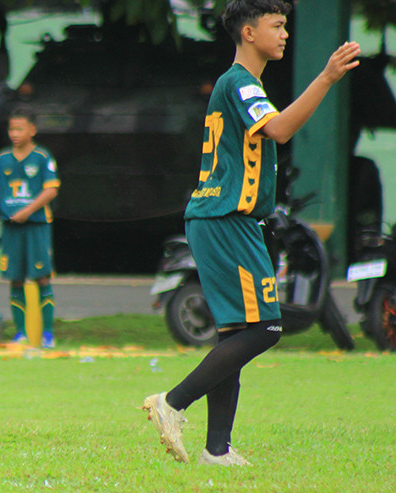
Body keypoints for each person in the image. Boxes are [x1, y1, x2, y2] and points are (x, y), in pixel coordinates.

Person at [142, 0, 360, 466]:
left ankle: (216, 450)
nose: (284, 34)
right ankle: (172, 403)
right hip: (226, 220)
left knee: (236, 332)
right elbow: (279, 130)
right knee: (267, 328)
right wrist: (326, 77)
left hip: (224, 219)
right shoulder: (239, 82)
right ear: (247, 32)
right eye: (276, 25)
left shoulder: (244, 84)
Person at [0, 106, 60, 349]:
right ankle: (20, 333)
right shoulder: (3, 158)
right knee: (15, 278)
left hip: (36, 225)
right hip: (11, 226)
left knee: (42, 278)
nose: (14, 133)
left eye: (19, 129)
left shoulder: (42, 157)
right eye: (11, 129)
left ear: (32, 130)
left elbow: (51, 189)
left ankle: (47, 334)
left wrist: (28, 210)